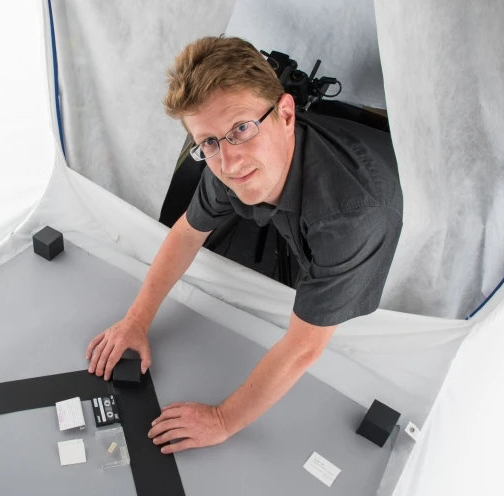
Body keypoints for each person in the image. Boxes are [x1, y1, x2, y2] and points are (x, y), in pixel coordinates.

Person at [85, 36, 403, 455]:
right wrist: (135, 321)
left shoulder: (351, 218)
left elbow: (304, 348)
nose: (229, 163)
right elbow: (185, 234)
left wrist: (222, 420)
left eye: (241, 129)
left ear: (286, 114)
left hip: (383, 194)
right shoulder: (225, 163)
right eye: (210, 143)